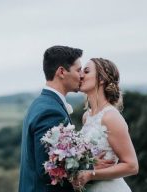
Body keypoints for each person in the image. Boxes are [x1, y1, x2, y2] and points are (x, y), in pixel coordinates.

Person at [18, 45, 83, 192]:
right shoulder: (51, 111)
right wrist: (92, 169)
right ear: (61, 72)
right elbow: (48, 170)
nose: (82, 75)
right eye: (78, 70)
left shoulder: (41, 103)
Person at [73, 58, 139, 192]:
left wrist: (90, 174)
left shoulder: (111, 117)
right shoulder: (87, 116)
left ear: (101, 79)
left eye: (86, 71)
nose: (81, 75)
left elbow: (132, 166)